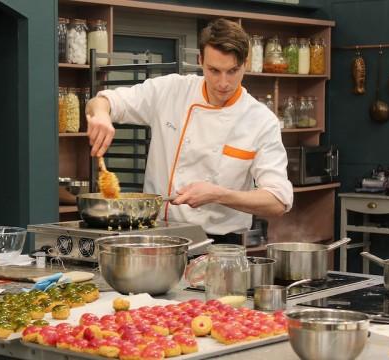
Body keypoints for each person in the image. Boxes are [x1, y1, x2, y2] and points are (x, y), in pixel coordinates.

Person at [85, 18, 293, 239]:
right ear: (200, 60)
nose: (223, 83)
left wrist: (218, 195)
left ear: (245, 64)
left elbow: (278, 201)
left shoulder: (260, 120)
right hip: (155, 237)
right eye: (214, 70)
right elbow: (104, 101)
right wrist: (100, 114)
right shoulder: (171, 90)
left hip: (218, 247)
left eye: (232, 71)